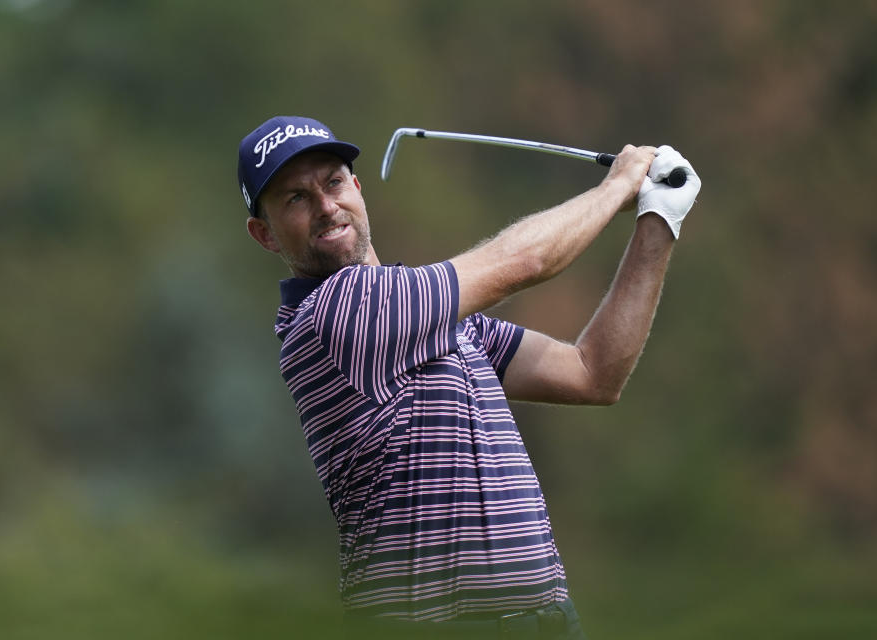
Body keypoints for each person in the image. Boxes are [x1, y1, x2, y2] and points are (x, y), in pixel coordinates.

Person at [237, 115, 701, 638]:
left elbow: (592, 373)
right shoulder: (337, 313)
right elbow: (525, 260)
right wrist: (618, 186)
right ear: (264, 234)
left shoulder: (436, 320)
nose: (325, 206)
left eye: (333, 182)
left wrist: (659, 220)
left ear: (357, 187)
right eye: (295, 199)